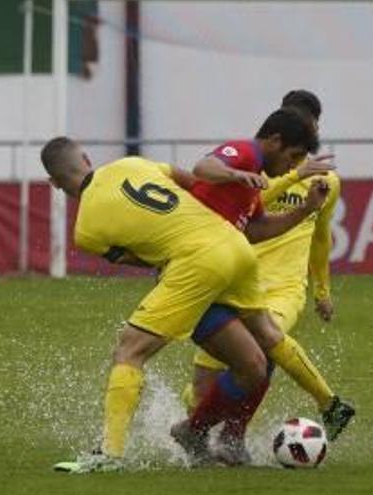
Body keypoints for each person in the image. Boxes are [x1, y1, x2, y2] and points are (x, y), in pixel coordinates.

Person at [40, 125, 320, 472]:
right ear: (85, 158)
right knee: (258, 353)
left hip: (192, 268)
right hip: (235, 250)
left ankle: (111, 453)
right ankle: (321, 404)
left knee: (130, 350)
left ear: (54, 184)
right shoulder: (133, 163)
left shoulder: (85, 232)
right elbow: (197, 186)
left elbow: (138, 258)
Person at [181, 90, 344, 465]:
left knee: (265, 346)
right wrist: (291, 177)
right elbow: (254, 207)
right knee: (203, 386)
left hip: (284, 288)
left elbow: (321, 238)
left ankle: (233, 437)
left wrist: (322, 289)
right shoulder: (265, 169)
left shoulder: (328, 183)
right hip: (237, 277)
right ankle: (196, 433)